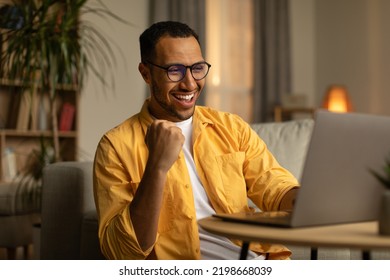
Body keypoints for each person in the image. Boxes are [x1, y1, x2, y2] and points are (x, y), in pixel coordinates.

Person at [93, 21, 299, 260]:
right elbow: (123, 252)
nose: (190, 83)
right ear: (146, 73)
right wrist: (156, 168)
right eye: (174, 70)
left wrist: (306, 200)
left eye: (197, 68)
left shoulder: (231, 127)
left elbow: (275, 187)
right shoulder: (115, 147)